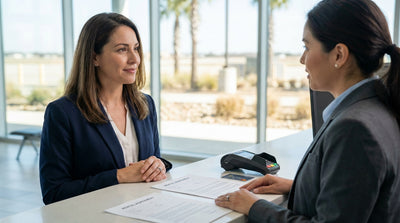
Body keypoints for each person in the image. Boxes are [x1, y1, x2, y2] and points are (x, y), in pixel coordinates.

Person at [216, 0, 400, 222]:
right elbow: (361, 195)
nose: (302, 59)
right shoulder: (377, 108)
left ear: (339, 55)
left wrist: (255, 206)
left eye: (307, 47)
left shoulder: (353, 128)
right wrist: (298, 187)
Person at [39, 13, 172, 205]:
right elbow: (54, 192)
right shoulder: (63, 113)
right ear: (94, 58)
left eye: (136, 49)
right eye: (122, 50)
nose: (135, 59)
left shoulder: (145, 104)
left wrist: (159, 165)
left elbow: (154, 159)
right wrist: (118, 176)